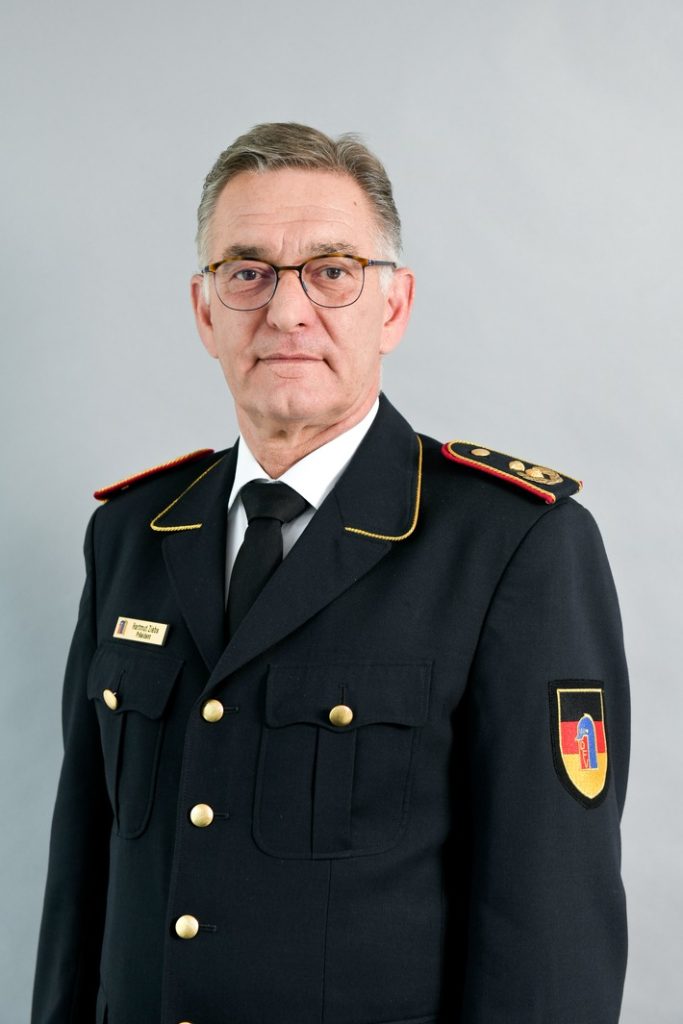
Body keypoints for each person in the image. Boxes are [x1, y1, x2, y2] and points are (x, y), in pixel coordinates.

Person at [32, 123, 629, 1024]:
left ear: (392, 306)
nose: (285, 312)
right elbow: (84, 881)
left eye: (331, 271)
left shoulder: (512, 546)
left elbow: (551, 929)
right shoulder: (130, 534)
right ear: (204, 310)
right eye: (247, 272)